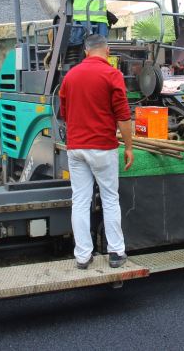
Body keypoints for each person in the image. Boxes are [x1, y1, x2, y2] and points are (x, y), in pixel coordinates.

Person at [59, 34, 134, 269]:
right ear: (108, 51)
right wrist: (129, 146)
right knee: (110, 199)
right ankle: (116, 253)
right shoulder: (112, 74)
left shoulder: (70, 77)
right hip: (102, 147)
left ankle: (82, 256)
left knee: (80, 201)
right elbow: (123, 116)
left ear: (85, 52)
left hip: (76, 148)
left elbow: (64, 113)